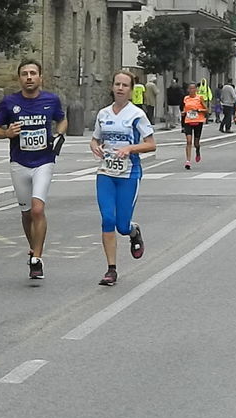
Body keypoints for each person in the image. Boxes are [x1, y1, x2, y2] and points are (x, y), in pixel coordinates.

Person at [0, 59, 67, 280]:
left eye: (33, 73)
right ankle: (34, 246)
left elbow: (62, 120)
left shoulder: (51, 100)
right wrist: (6, 133)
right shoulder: (9, 102)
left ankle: (37, 259)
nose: (29, 77)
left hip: (44, 161)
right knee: (26, 213)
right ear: (20, 78)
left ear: (41, 77)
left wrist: (59, 135)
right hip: (19, 162)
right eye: (25, 74)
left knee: (37, 209)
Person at [90, 70, 155, 286]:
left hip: (129, 174)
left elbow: (151, 144)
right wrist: (95, 147)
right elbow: (94, 139)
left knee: (122, 226)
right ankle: (111, 269)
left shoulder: (137, 115)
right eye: (117, 84)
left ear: (130, 90)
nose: (120, 88)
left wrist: (130, 148)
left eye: (124, 85)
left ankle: (134, 231)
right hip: (106, 173)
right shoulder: (103, 114)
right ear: (112, 87)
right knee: (107, 219)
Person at [181, 82, 208, 170]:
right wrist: (184, 112)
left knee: (196, 142)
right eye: (190, 88)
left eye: (193, 88)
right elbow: (185, 108)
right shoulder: (186, 98)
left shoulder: (200, 98)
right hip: (188, 121)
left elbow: (206, 109)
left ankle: (197, 150)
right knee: (189, 141)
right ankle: (188, 161)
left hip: (198, 121)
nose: (191, 90)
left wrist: (199, 110)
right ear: (188, 90)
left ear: (196, 89)